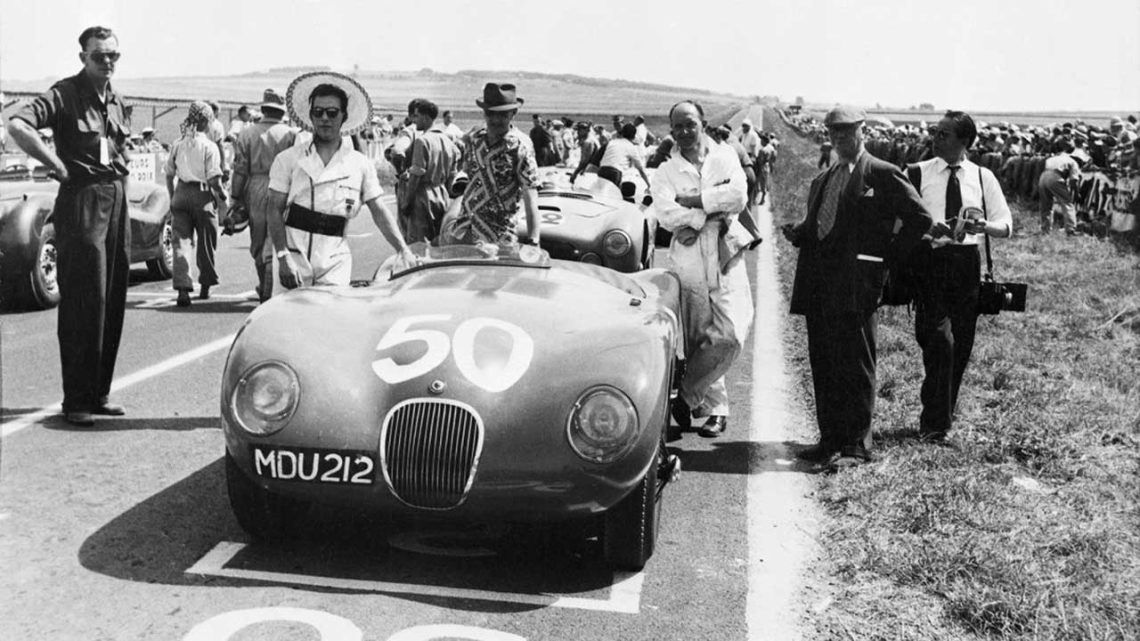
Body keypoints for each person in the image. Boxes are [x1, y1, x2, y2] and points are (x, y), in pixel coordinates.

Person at [783, 106, 936, 469]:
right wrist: (801, 232)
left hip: (857, 287)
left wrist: (885, 258)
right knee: (825, 363)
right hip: (820, 285)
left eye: (846, 130)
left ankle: (856, 445)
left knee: (856, 365)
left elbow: (920, 219)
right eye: (833, 132)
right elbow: (825, 224)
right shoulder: (825, 178)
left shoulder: (882, 173)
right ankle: (829, 439)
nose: (838, 138)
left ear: (862, 131)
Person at [6, 26, 132, 426]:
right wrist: (56, 164)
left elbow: (118, 147)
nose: (107, 62)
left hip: (116, 196)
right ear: (83, 58)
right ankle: (76, 398)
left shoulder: (116, 99)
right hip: (82, 199)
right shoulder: (64, 94)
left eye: (113, 55)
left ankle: (99, 393)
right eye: (99, 56)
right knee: (82, 298)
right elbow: (17, 125)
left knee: (111, 296)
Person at [908, 110, 1013, 443]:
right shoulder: (916, 173)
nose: (935, 139)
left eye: (944, 134)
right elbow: (896, 219)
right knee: (939, 341)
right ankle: (936, 419)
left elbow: (1006, 225)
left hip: (966, 264)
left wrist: (984, 226)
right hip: (929, 262)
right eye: (935, 132)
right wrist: (926, 230)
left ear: (964, 141)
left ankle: (939, 421)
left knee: (961, 345)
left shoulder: (982, 177)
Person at [651, 100, 752, 438]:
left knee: (732, 330)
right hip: (689, 255)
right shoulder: (667, 170)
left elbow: (739, 196)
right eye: (677, 126)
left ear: (703, 124)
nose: (684, 131)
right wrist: (705, 212)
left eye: (690, 124)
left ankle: (687, 396)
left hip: (724, 247)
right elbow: (666, 214)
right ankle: (716, 409)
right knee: (699, 335)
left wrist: (694, 202)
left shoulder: (725, 156)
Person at [266, 72, 414, 289]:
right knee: (288, 311)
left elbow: (379, 210)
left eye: (332, 112)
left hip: (334, 261)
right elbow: (273, 209)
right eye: (318, 112)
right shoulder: (287, 159)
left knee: (332, 310)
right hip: (294, 258)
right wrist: (282, 255)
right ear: (311, 116)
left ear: (344, 116)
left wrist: (403, 249)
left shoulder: (360, 164)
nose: (325, 118)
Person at [439, 82, 540, 247]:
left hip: (499, 237)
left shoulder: (521, 147)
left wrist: (534, 240)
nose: (495, 119)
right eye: (490, 113)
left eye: (503, 114)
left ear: (513, 113)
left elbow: (531, 195)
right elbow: (465, 170)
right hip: (464, 229)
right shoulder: (475, 138)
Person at [229, 88, 296, 301]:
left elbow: (240, 170)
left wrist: (235, 197)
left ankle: (264, 284)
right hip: (284, 186)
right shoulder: (290, 134)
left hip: (256, 186)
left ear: (264, 109)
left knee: (258, 239)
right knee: (278, 237)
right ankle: (271, 286)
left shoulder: (247, 133)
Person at [164, 101, 227, 307]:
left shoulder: (178, 143)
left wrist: (173, 196)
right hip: (202, 195)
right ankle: (206, 285)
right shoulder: (209, 146)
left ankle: (183, 288)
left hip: (181, 193)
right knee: (206, 242)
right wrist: (223, 195)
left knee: (181, 243)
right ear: (206, 121)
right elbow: (214, 179)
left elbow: (169, 174)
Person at [400, 99, 459, 243]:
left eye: (417, 116)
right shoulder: (449, 141)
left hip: (423, 196)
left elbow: (416, 176)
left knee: (419, 243)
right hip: (442, 195)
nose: (414, 120)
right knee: (439, 240)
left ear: (426, 117)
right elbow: (453, 175)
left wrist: (407, 202)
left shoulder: (422, 141)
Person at [1037, 139, 1083, 235]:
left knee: (1046, 205)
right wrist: (1077, 193)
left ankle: (1045, 229)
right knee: (1067, 203)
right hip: (1055, 176)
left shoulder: (1052, 158)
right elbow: (1074, 181)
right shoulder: (1072, 161)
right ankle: (1071, 229)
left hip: (1043, 176)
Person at [598, 122, 651, 189]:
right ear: (634, 136)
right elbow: (641, 169)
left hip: (602, 170)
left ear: (622, 133)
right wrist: (648, 184)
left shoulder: (612, 142)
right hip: (614, 172)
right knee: (613, 193)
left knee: (600, 191)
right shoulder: (631, 147)